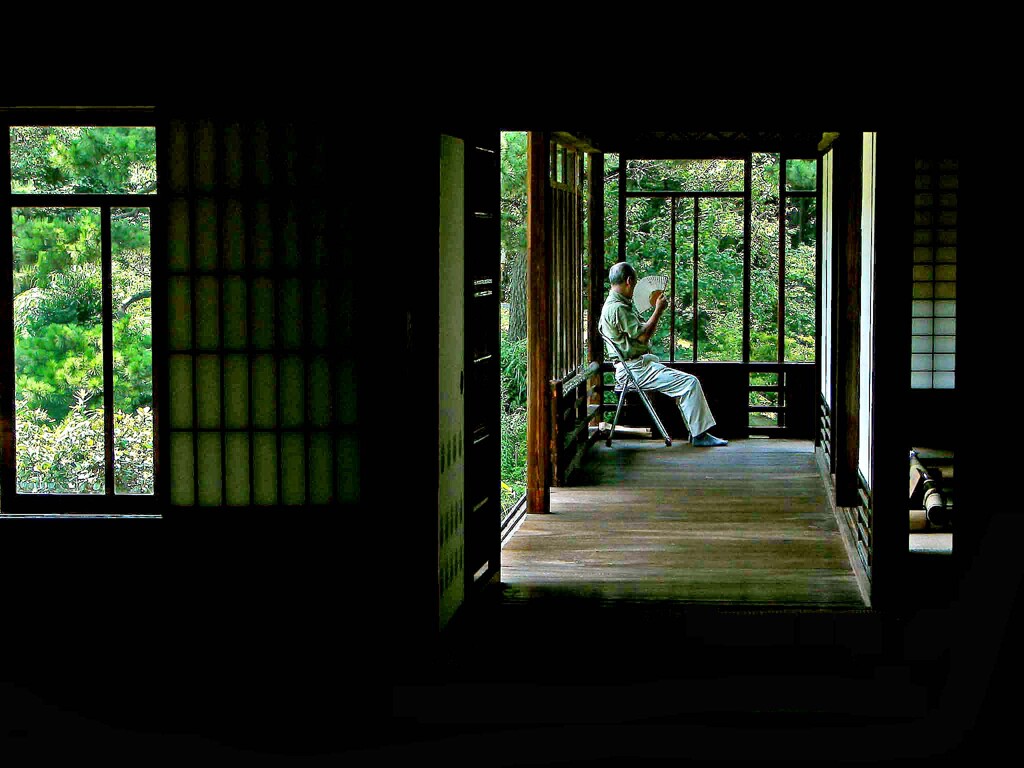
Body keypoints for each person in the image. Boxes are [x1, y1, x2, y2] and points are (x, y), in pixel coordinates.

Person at [599, 261, 728, 447]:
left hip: (635, 366)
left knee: (686, 383)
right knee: (690, 382)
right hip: (634, 369)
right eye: (634, 284)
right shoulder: (618, 308)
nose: (635, 288)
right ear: (629, 281)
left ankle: (697, 432)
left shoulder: (614, 305)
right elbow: (643, 336)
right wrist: (658, 310)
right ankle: (699, 435)